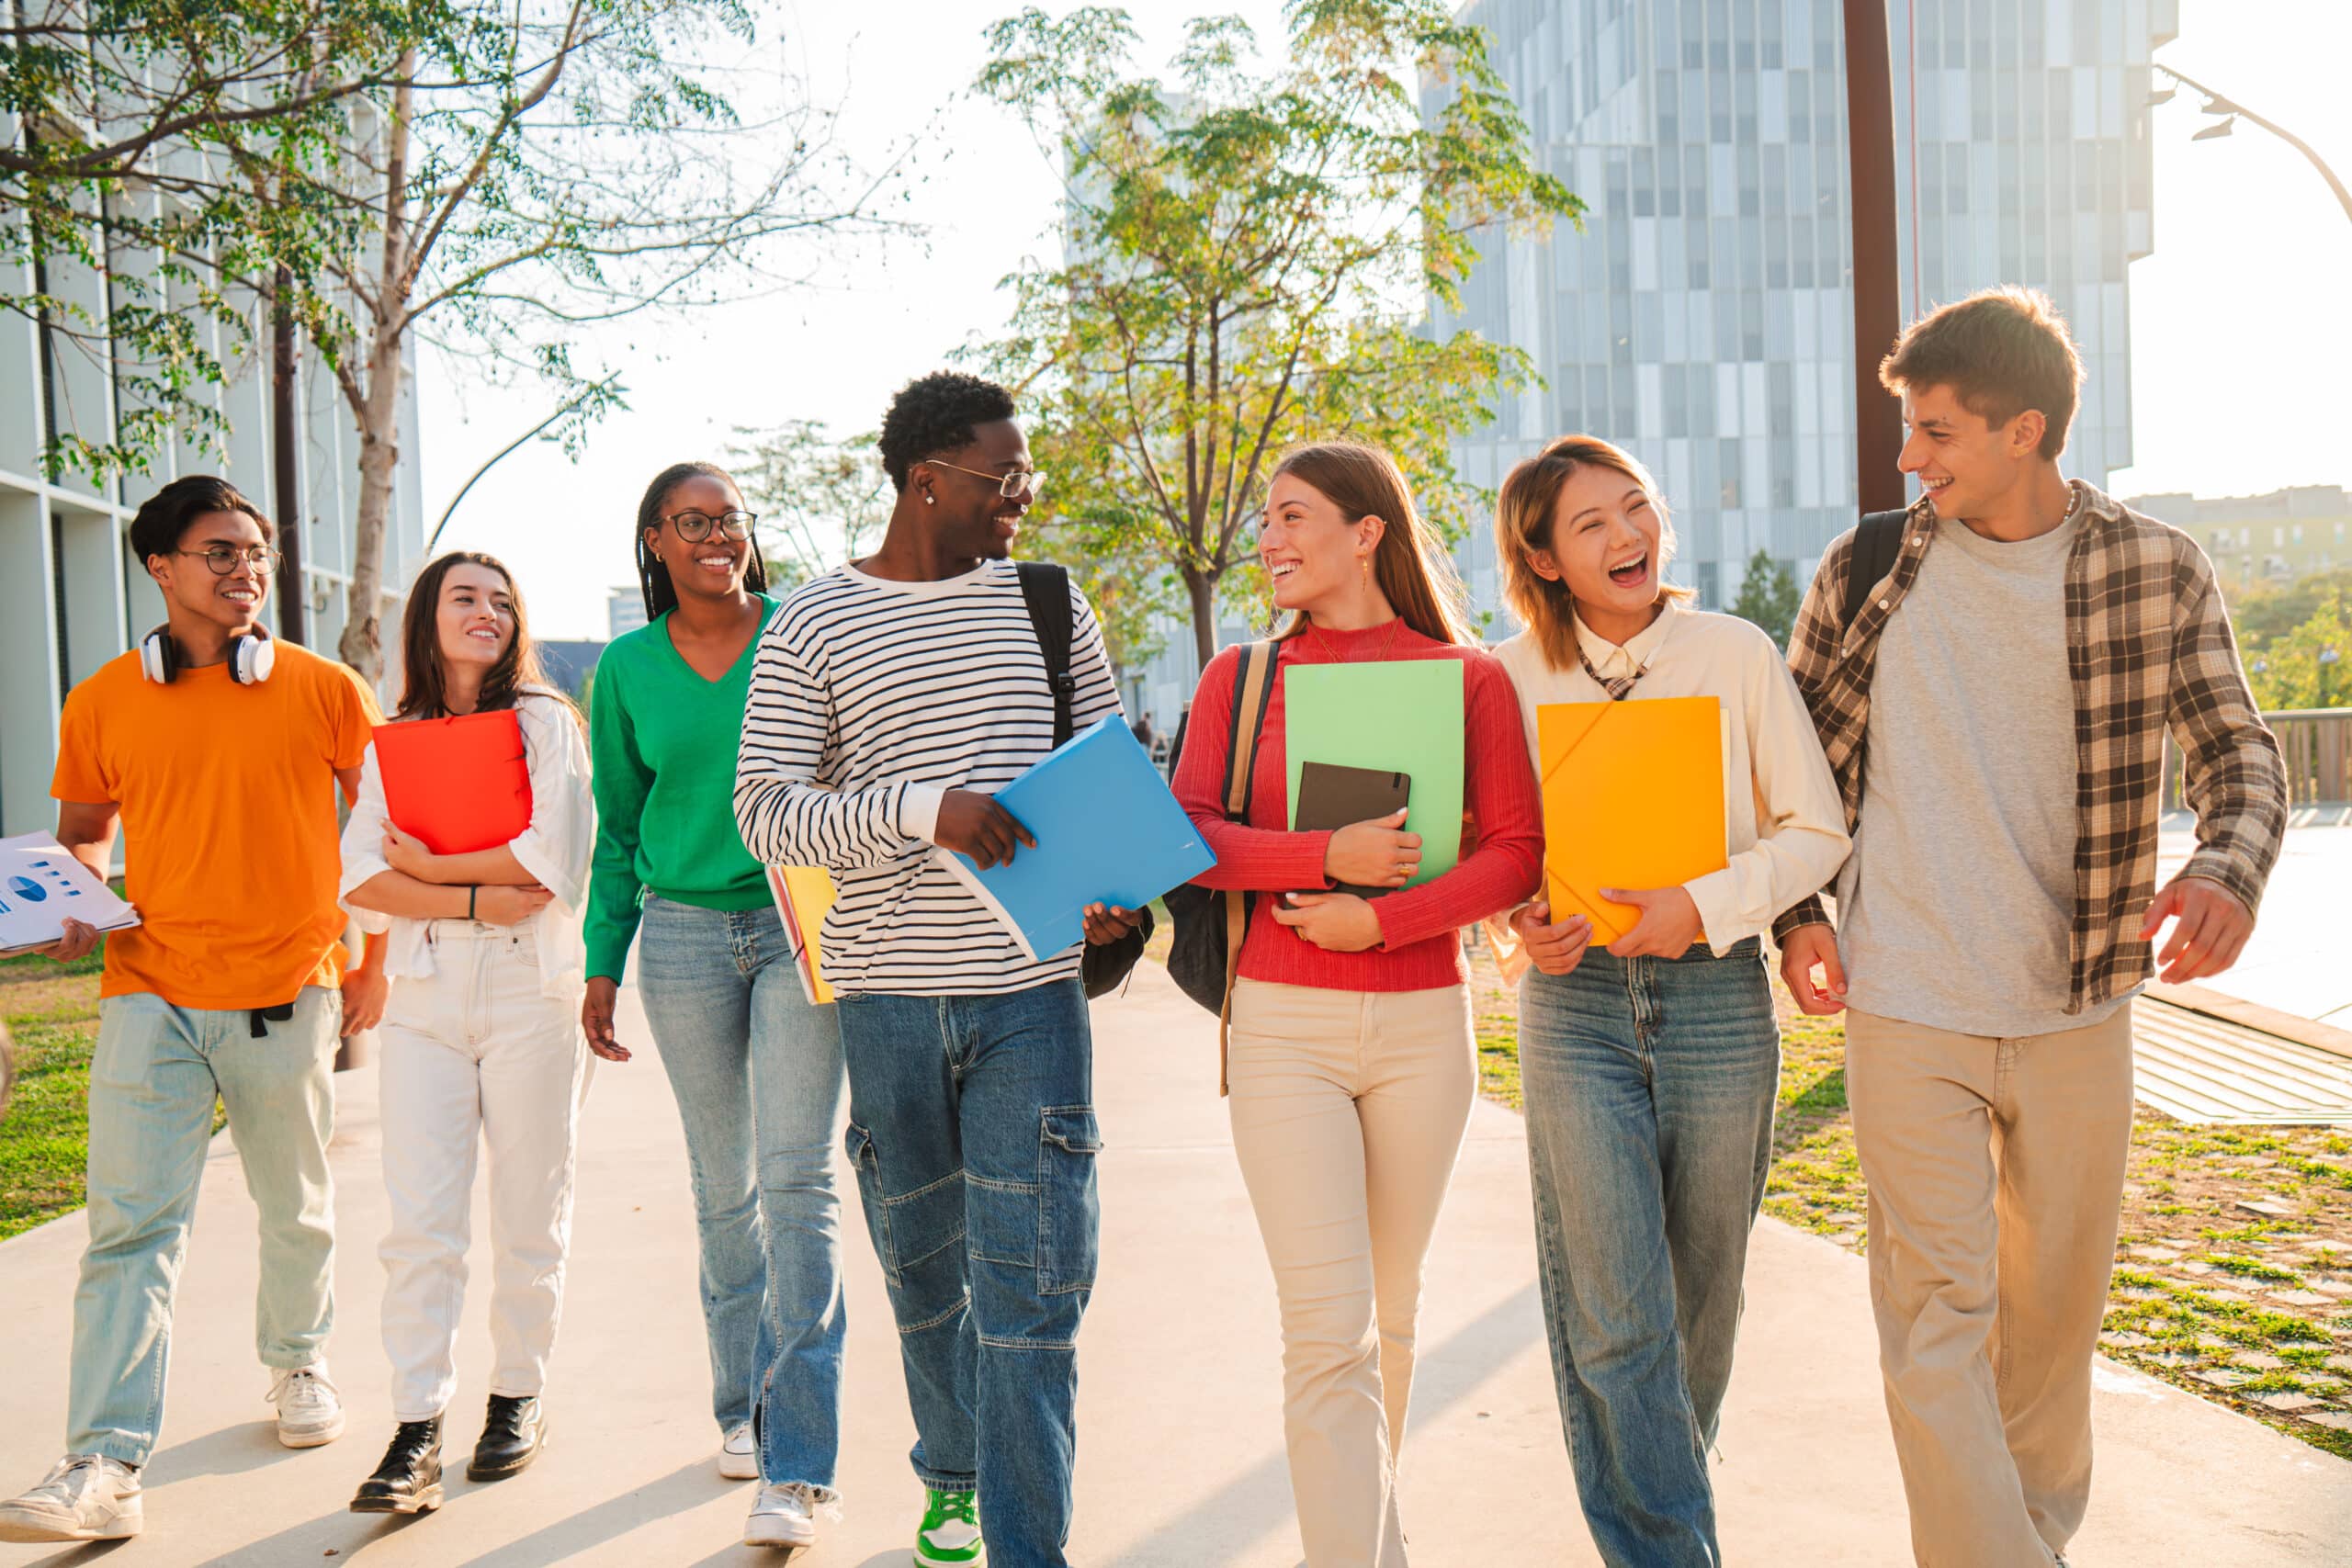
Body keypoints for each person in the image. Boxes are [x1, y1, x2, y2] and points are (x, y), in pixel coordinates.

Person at [1772, 288, 2287, 1566]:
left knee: (2052, 1337)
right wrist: (1795, 914)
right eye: (1908, 429)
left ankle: (2026, 1542)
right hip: (1908, 996)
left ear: (2027, 430)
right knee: (1933, 1325)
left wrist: (2228, 868)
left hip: (2079, 999)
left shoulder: (2156, 566)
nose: (1909, 458)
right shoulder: (1867, 565)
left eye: (1935, 431)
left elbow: (2240, 750)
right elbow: (1787, 769)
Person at [734, 370, 1142, 1568]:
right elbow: (768, 811)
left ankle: (1030, 1546)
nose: (1021, 494)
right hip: (891, 1001)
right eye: (999, 475)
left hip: (1033, 995)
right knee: (928, 1277)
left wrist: (1117, 894)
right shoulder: (814, 619)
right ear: (927, 479)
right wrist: (928, 809)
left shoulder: (1053, 605)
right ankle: (952, 1466)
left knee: (1032, 1294)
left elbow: (1106, 788)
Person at [1169, 441, 1543, 1567]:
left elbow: (1516, 853)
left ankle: (1371, 1536)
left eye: (1292, 517)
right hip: (1283, 1028)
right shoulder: (1240, 679)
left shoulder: (1468, 678)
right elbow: (1184, 836)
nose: (1269, 541)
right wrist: (1323, 852)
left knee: (1389, 1315)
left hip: (1424, 1028)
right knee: (1324, 1332)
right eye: (1267, 524)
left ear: (1365, 530)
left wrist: (1379, 919)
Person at [1485, 435, 1849, 1565]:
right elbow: (1498, 852)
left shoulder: (1732, 653)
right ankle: (1667, 1546)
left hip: (1716, 1001)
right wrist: (1515, 924)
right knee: (1611, 1306)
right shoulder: (1504, 676)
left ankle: (1664, 1489)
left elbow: (1815, 831)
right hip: (1574, 1003)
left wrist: (1700, 905)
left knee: (1701, 1295)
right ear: (1542, 559)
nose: (1625, 534)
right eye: (1589, 523)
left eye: (1633, 508)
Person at [0, 477, 384, 1546]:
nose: (244, 571)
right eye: (219, 552)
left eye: (255, 551)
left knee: (294, 1204)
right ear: (160, 569)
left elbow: (387, 829)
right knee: (128, 1227)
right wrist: (72, 894)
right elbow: (83, 828)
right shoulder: (103, 699)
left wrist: (376, 962)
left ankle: (297, 1357)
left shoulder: (324, 688)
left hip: (288, 986)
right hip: (149, 987)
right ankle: (104, 1462)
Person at [582, 462, 849, 1552]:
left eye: (730, 520)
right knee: (719, 1187)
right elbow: (618, 823)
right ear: (654, 539)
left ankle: (799, 1457)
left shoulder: (802, 634)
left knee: (797, 1180)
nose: (716, 538)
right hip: (683, 933)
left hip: (801, 920)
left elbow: (846, 775)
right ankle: (737, 1405)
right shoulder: (626, 669)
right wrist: (603, 959)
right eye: (692, 523)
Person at [336, 551, 594, 1514]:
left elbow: (554, 859)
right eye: (464, 598)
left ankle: (517, 1396)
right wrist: (480, 893)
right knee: (420, 1227)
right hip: (423, 991)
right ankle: (414, 1427)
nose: (485, 612)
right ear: (427, 618)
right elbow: (356, 877)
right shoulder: (392, 737)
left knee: (530, 1210)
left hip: (532, 991)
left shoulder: (544, 724)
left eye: (501, 601)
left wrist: (433, 872)